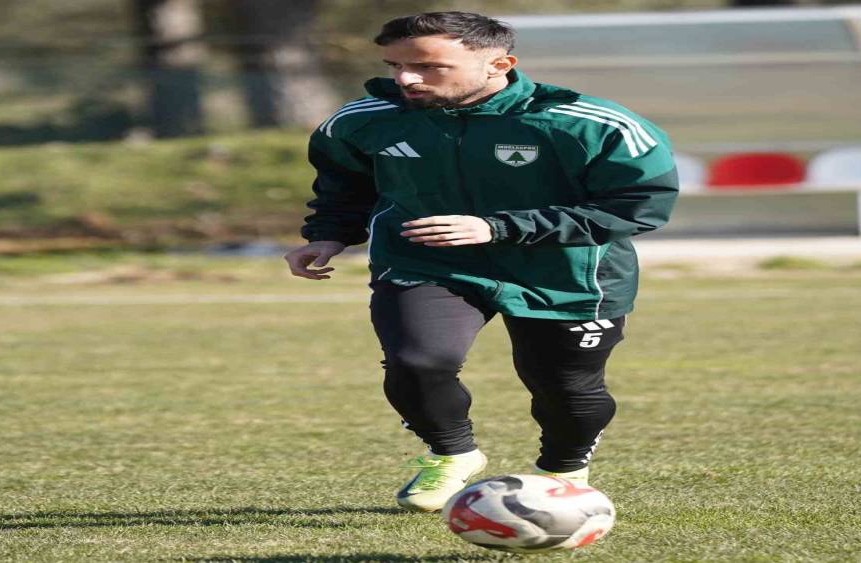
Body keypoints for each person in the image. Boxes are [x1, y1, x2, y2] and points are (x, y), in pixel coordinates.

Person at [284, 11, 679, 513]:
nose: (406, 79)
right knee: (417, 362)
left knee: (566, 389)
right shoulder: (364, 119)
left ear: (499, 65)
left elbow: (639, 205)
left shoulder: (589, 124)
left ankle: (562, 474)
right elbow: (345, 183)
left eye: (428, 66)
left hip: (566, 273)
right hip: (427, 260)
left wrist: (497, 227)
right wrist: (328, 235)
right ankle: (451, 453)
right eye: (396, 65)